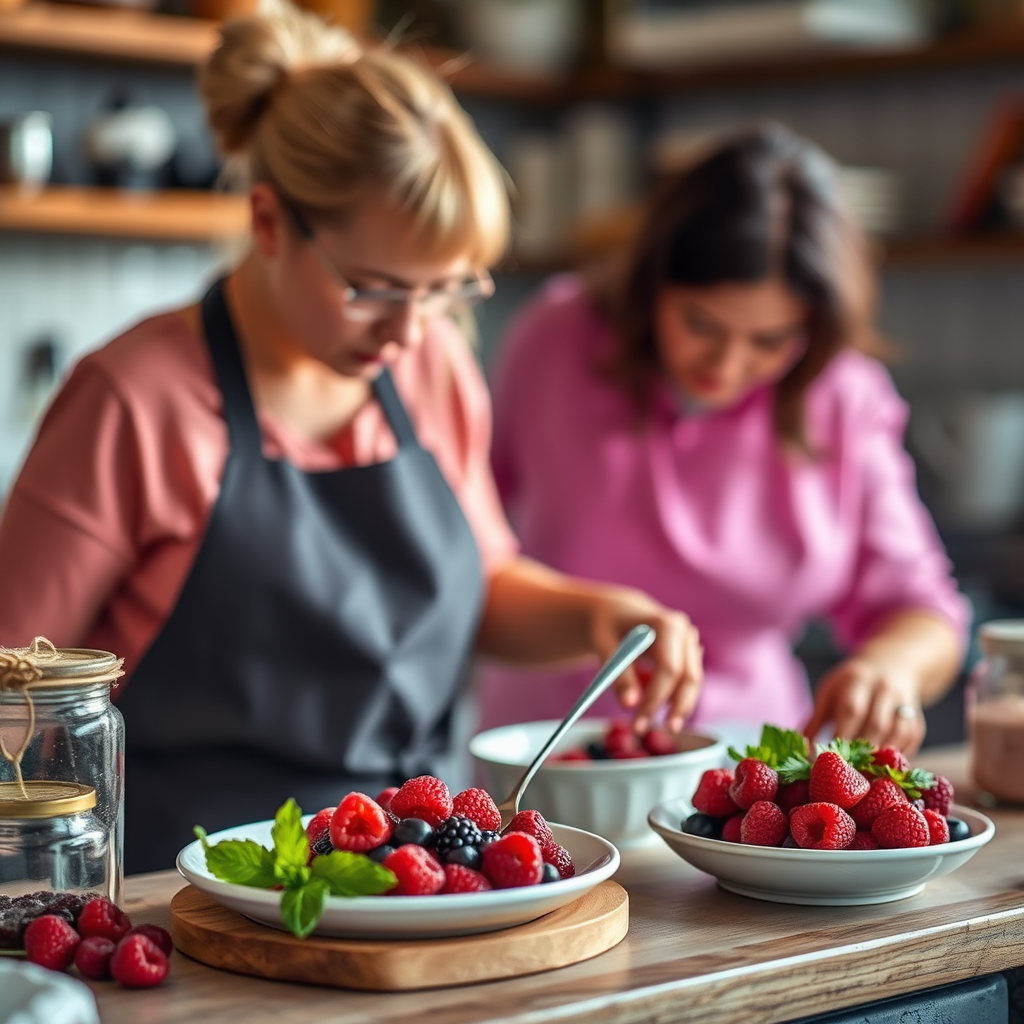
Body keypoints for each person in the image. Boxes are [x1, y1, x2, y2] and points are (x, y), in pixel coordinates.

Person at [0, 4, 702, 872]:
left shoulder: (432, 368)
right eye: (373, 289)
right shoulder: (134, 402)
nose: (410, 330)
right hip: (190, 888)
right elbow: (17, 690)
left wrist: (598, 616)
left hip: (409, 880)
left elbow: (481, 583)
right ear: (268, 223)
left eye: (444, 291)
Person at [481, 124, 968, 756]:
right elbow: (469, 540)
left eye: (770, 340)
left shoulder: (843, 395)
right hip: (547, 751)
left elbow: (923, 609)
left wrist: (890, 669)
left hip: (747, 764)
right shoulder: (555, 337)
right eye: (701, 324)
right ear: (654, 285)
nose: (727, 364)